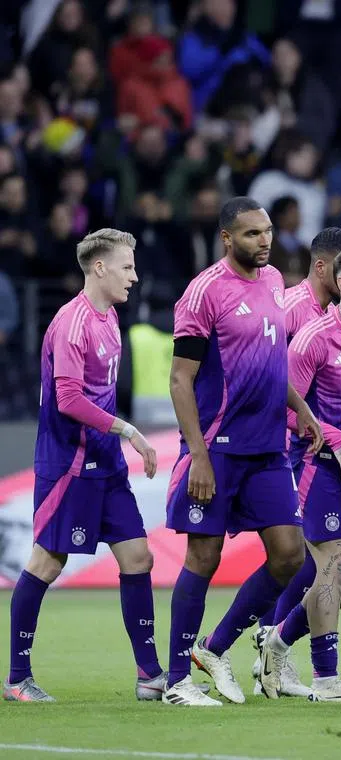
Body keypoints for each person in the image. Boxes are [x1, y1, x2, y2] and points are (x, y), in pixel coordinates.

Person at [162, 197, 324, 707]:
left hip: (267, 447)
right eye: (253, 233)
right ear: (227, 238)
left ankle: (213, 648)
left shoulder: (274, 280)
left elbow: (272, 363)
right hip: (218, 448)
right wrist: (199, 456)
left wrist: (302, 408)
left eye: (268, 231)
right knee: (203, 556)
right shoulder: (203, 292)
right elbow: (180, 380)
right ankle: (176, 681)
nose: (265, 240)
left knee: (290, 554)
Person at [5, 229, 162, 702]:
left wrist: (117, 440)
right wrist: (129, 431)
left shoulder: (109, 317)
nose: (134, 277)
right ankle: (17, 679)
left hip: (106, 465)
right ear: (99, 267)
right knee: (47, 563)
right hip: (69, 465)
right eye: (127, 267)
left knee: (138, 558)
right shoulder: (72, 324)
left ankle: (150, 675)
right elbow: (69, 398)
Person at [258, 245, 341, 702]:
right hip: (319, 465)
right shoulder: (313, 338)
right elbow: (284, 408)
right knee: (332, 566)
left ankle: (277, 641)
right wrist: (334, 437)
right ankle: (325, 679)